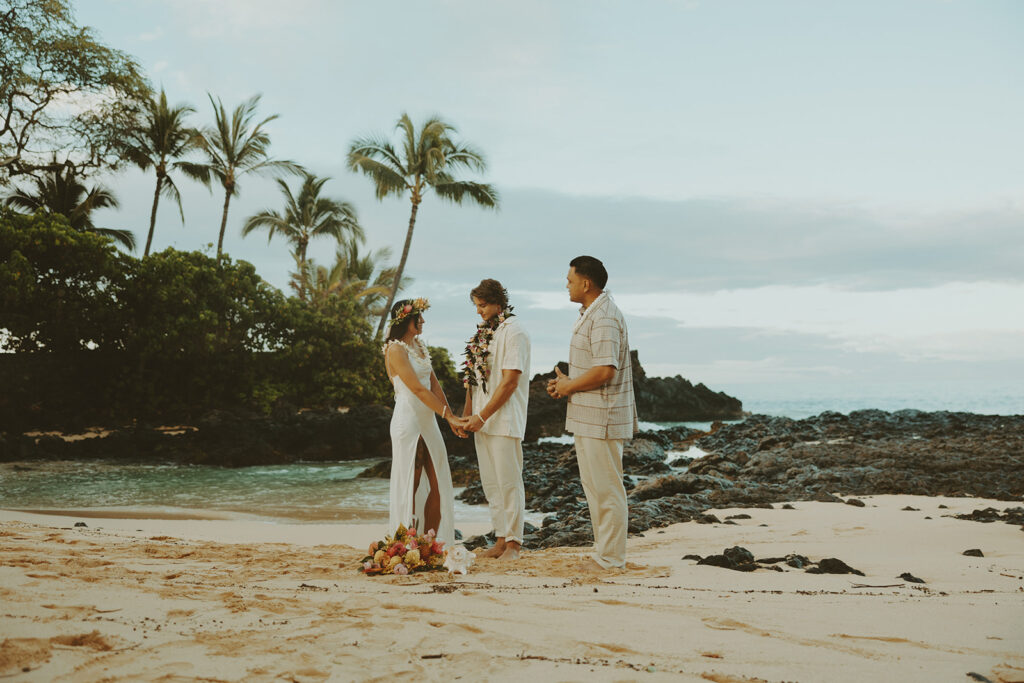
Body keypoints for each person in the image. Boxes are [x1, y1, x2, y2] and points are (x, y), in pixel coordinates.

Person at [547, 256, 637, 572]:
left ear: (586, 283)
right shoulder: (590, 314)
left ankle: (611, 558)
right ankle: (604, 551)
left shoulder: (605, 317)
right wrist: (565, 384)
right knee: (594, 487)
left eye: (569, 280)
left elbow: (604, 370)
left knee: (608, 488)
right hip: (589, 416)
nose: (566, 285)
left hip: (605, 417)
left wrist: (570, 385)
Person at [383, 297, 465, 547]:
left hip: (428, 419)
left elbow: (434, 384)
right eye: (419, 317)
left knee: (438, 479)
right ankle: (406, 542)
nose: (423, 321)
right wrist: (447, 415)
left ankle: (431, 541)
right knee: (412, 481)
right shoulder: (395, 349)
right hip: (408, 420)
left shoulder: (418, 345)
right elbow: (418, 389)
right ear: (406, 320)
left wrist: (451, 416)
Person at [460, 279, 530, 560]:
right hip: (481, 420)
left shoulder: (515, 332)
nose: (479, 311)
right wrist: (468, 414)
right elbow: (474, 380)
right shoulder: (482, 335)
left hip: (504, 419)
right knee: (491, 482)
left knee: (509, 481)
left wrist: (482, 416)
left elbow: (510, 381)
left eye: (483, 305)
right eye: (476, 306)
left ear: (499, 302)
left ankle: (514, 543)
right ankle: (500, 539)